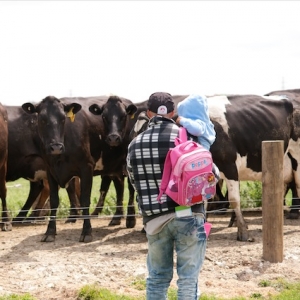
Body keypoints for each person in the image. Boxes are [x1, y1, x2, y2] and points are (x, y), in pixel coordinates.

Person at [127, 92, 207, 300]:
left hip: (154, 220)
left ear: (148, 113)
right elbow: (209, 175)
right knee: (188, 279)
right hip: (189, 215)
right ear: (173, 113)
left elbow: (134, 181)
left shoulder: (134, 145)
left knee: (157, 278)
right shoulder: (188, 138)